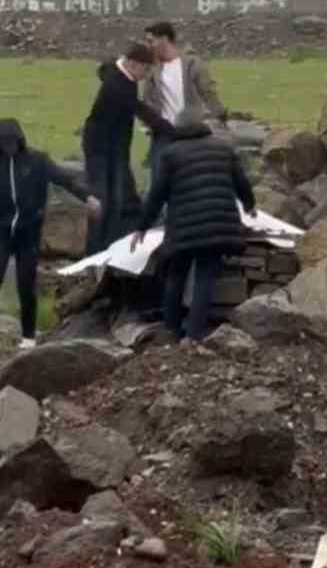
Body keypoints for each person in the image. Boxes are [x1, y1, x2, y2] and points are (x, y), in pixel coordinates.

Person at [0, 118, 101, 347]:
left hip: (28, 232)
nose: (9, 147)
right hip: (0, 232)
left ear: (20, 140)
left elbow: (65, 179)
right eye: (4, 143)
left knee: (26, 283)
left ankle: (28, 336)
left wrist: (87, 197)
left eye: (13, 142)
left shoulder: (38, 161)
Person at [131, 118, 256, 344]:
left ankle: (171, 329)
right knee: (205, 277)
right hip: (218, 223)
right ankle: (194, 335)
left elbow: (157, 195)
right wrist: (249, 205)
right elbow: (241, 182)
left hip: (183, 228)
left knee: (176, 273)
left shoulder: (171, 154)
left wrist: (142, 227)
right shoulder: (223, 149)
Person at [81, 42, 172, 252]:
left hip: (116, 148)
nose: (146, 75)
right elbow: (138, 108)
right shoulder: (117, 84)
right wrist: (170, 129)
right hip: (100, 150)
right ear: (133, 64)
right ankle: (95, 250)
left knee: (120, 197)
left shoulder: (123, 77)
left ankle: (112, 244)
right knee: (103, 198)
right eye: (145, 69)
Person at [142, 21, 227, 189]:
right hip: (163, 133)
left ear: (164, 39)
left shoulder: (193, 64)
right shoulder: (153, 68)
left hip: (190, 131)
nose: (148, 45)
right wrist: (149, 123)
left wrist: (220, 114)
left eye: (151, 41)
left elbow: (208, 91)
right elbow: (147, 99)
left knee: (192, 179)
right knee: (159, 181)